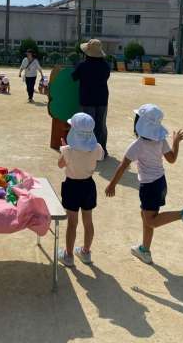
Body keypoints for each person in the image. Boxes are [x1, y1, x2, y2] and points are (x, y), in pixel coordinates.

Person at [105, 104, 183, 264]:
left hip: (149, 187)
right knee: (145, 215)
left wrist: (112, 184)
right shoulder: (161, 140)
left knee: (151, 220)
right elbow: (172, 159)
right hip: (160, 183)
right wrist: (176, 142)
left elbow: (123, 166)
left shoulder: (137, 145)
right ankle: (144, 250)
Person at [57, 113, 104, 267]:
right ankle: (86, 252)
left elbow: (60, 165)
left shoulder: (68, 150)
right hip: (88, 185)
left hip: (72, 186)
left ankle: (68, 255)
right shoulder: (96, 148)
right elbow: (100, 157)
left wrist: (63, 149)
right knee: (88, 221)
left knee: (72, 223)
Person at [72, 39, 110, 157]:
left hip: (87, 99)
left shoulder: (83, 65)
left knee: (87, 126)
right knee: (101, 125)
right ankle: (102, 151)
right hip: (102, 99)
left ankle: (88, 150)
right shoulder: (105, 66)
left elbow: (73, 77)